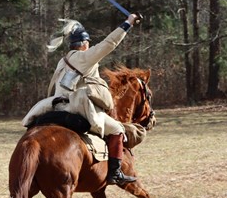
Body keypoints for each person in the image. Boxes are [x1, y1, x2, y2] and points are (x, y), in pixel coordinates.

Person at [23, 13, 140, 186]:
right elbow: (109, 44)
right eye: (89, 44)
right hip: (76, 107)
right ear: (85, 44)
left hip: (55, 106)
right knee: (117, 129)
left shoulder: (63, 61)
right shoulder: (84, 57)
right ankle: (115, 173)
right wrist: (128, 22)